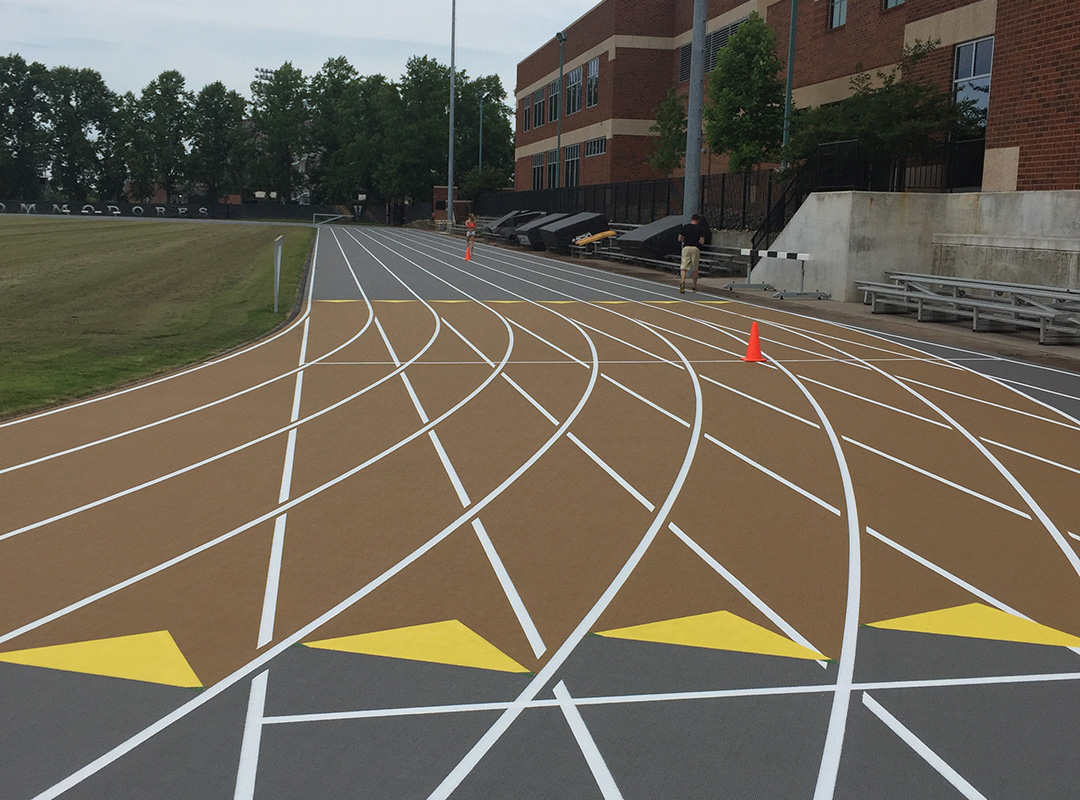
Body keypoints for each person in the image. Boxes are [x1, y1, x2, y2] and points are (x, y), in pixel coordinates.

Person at [677, 213, 707, 293]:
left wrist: (684, 240)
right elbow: (702, 241)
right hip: (695, 248)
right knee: (695, 268)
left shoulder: (685, 227)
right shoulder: (700, 229)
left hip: (686, 247)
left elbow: (679, 238)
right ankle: (694, 286)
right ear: (698, 220)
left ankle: (682, 282)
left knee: (684, 267)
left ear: (691, 219)